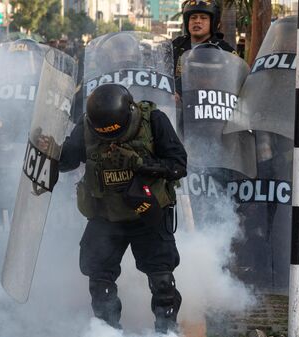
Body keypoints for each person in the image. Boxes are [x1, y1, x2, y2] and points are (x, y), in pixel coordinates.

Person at [52, 83, 187, 333]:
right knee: (99, 277)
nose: (109, 138)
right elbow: (67, 160)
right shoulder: (87, 125)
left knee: (162, 281)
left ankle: (167, 330)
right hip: (106, 215)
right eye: (103, 133)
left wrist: (144, 166)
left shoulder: (153, 120)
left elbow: (178, 164)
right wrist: (50, 150)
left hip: (148, 211)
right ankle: (107, 330)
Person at [173, 0, 236, 93]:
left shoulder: (224, 50)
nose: (197, 21)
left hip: (211, 103)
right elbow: (162, 70)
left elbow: (236, 81)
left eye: (203, 18)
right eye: (193, 18)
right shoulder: (176, 45)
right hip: (178, 104)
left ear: (213, 22)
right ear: (187, 22)